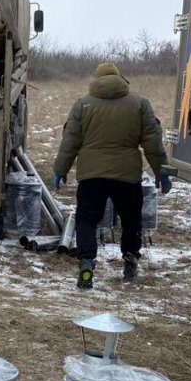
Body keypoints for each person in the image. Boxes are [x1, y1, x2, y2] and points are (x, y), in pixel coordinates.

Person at [52, 62, 170, 289]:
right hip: (127, 177)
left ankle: (86, 262)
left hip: (91, 176)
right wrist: (162, 173)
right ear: (120, 79)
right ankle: (130, 262)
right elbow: (153, 143)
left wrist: (60, 170)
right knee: (130, 220)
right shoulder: (139, 104)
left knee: (87, 220)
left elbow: (70, 142)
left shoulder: (83, 105)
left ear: (95, 81)